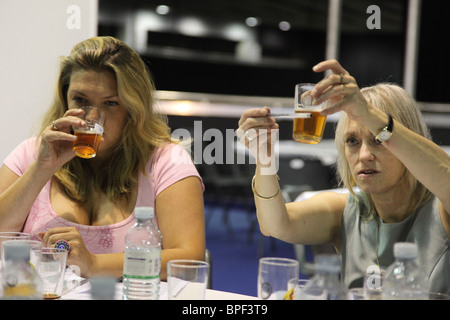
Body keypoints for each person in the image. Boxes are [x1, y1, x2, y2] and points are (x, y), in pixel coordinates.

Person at [237, 60, 450, 294]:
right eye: (352, 141)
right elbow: (275, 225)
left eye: (378, 140)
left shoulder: (441, 209)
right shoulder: (347, 211)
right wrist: (264, 160)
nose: (364, 155)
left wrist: (369, 113)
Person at [0, 36, 205, 280]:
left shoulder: (166, 161)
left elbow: (188, 259)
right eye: (81, 100)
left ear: (134, 107)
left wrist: (96, 264)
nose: (93, 117)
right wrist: (41, 169)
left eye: (110, 103)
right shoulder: (33, 153)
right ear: (64, 97)